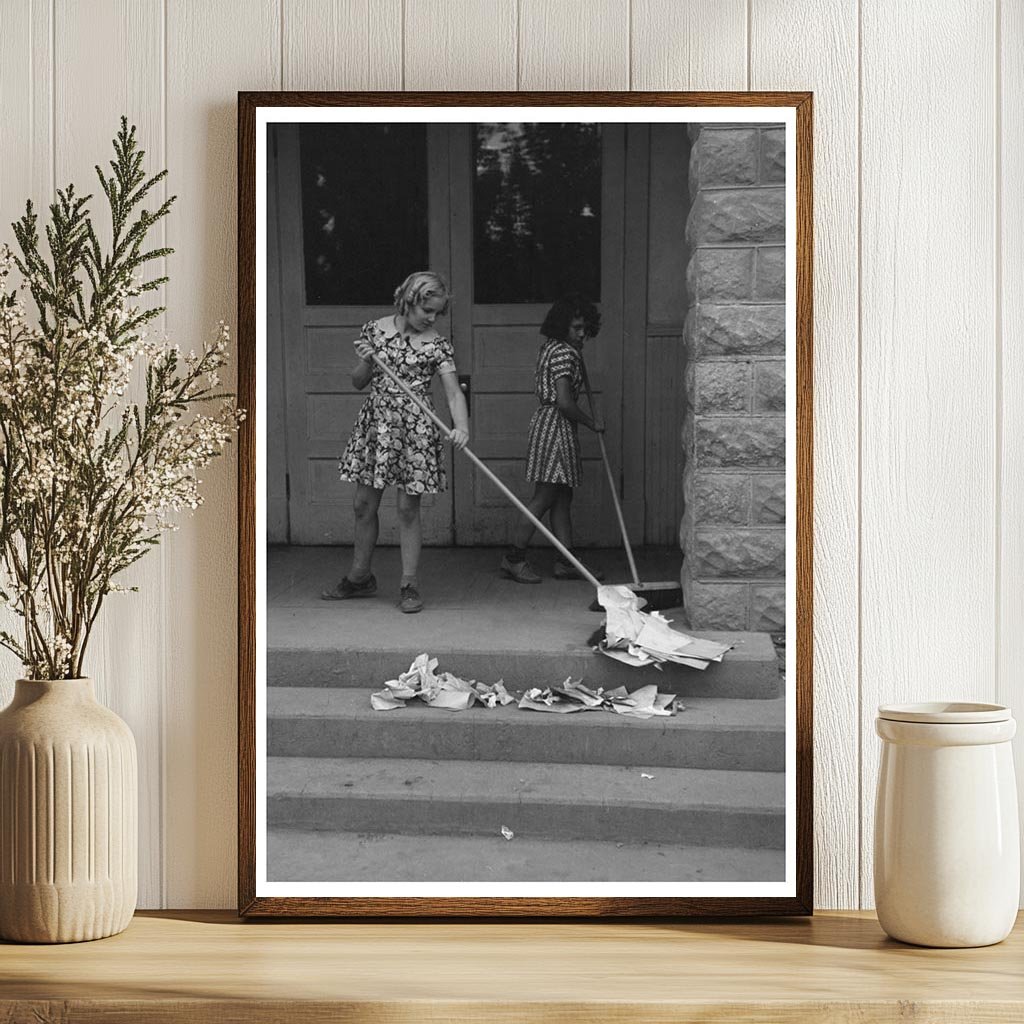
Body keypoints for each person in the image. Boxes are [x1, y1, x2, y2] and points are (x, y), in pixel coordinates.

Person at [323, 271, 469, 613]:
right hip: (377, 425)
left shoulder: (437, 344)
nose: (432, 318)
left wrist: (461, 427)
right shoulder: (375, 330)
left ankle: (409, 584)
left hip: (415, 429)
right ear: (408, 301)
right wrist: (367, 359)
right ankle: (360, 577)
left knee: (407, 508)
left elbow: (453, 393)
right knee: (363, 505)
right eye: (427, 311)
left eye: (437, 313)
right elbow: (358, 381)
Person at [500, 294, 605, 584]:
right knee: (546, 495)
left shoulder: (552, 348)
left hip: (550, 424)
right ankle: (514, 558)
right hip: (556, 426)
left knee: (562, 496)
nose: (581, 334)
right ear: (562, 326)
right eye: (576, 328)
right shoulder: (564, 354)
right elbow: (565, 403)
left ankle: (566, 561)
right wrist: (592, 423)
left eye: (584, 328)